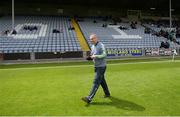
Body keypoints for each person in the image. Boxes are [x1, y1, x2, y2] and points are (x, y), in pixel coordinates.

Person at [81, 34, 110, 104]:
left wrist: (96, 56)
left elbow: (104, 54)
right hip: (96, 66)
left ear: (96, 38)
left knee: (96, 82)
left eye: (93, 38)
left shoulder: (101, 45)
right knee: (102, 80)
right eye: (90, 39)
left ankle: (89, 98)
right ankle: (107, 93)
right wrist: (89, 58)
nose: (91, 40)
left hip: (101, 67)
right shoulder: (92, 46)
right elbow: (92, 55)